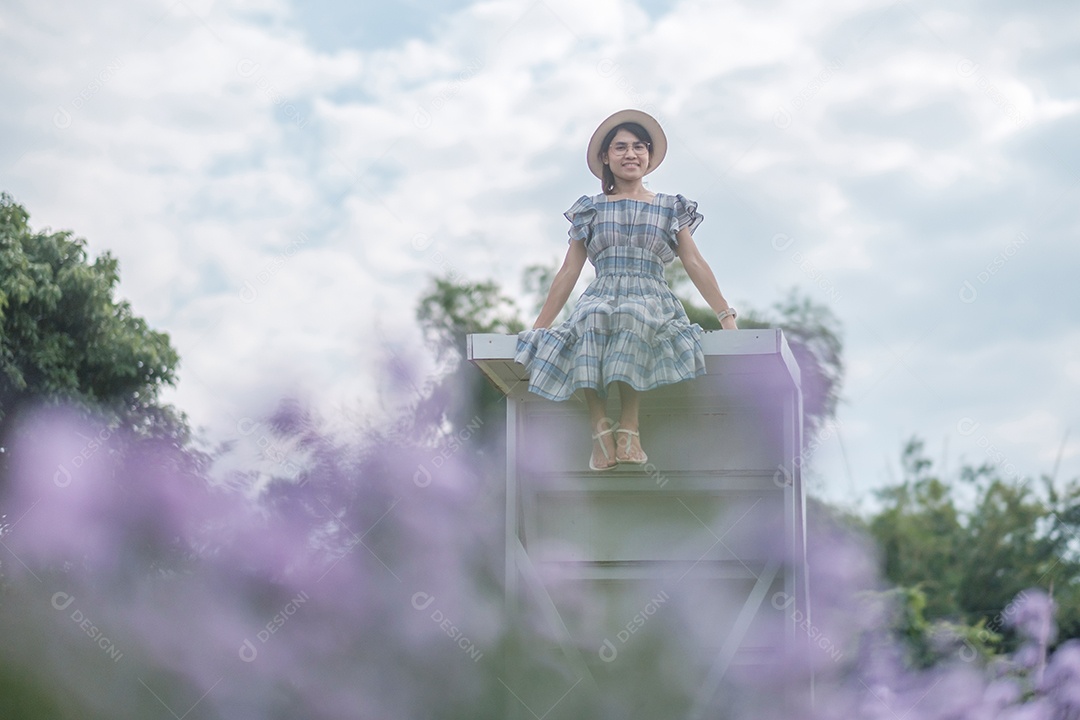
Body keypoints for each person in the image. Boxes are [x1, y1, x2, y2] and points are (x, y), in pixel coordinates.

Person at [515, 109, 738, 471]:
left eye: (638, 146)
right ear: (606, 157)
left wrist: (725, 315)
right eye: (620, 147)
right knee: (592, 317)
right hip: (601, 290)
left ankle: (630, 427)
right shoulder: (590, 209)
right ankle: (599, 426)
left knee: (632, 315)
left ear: (648, 156)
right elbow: (569, 270)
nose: (630, 154)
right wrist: (541, 324)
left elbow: (694, 262)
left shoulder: (669, 206)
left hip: (652, 295)